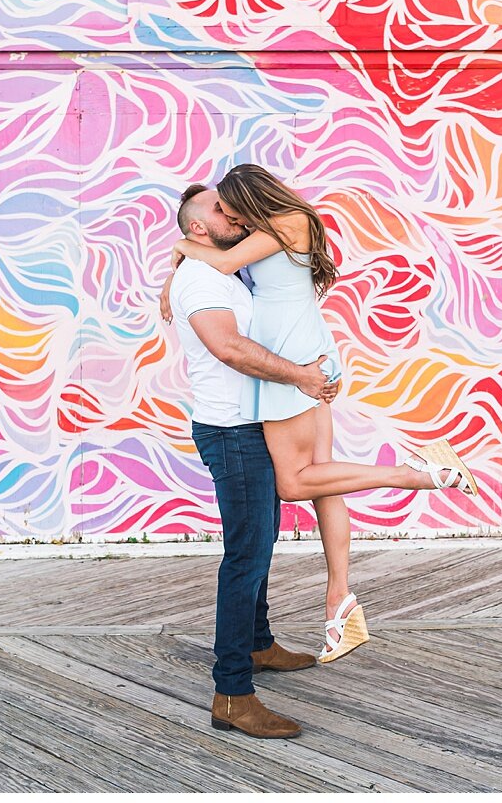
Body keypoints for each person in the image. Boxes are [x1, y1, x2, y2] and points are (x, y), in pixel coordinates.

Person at [162, 165, 478, 666]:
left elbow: (220, 265)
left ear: (249, 198)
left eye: (229, 205)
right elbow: (220, 270)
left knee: (293, 484)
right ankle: (339, 602)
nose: (231, 216)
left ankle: (419, 474)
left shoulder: (287, 224)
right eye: (220, 210)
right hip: (303, 349)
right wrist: (177, 269)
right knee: (323, 482)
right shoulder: (271, 231)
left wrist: (180, 251)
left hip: (294, 357)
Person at [168, 183, 338, 739]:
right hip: (231, 433)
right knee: (246, 556)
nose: (231, 213)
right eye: (219, 209)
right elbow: (231, 349)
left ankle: (259, 644)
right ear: (198, 228)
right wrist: (301, 377)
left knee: (261, 539)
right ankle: (233, 694)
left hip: (255, 423)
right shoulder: (199, 278)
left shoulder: (223, 269)